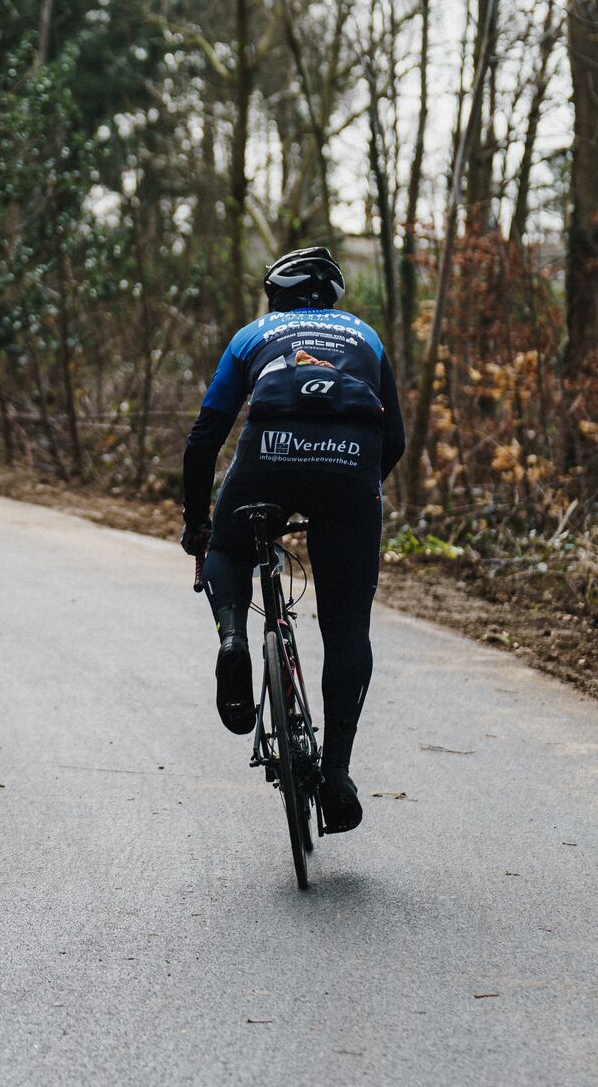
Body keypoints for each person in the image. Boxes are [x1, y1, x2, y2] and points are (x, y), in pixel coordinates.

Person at [179, 246, 405, 833]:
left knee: (228, 548)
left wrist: (196, 523)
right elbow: (396, 438)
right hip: (351, 469)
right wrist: (351, 492)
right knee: (348, 627)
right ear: (330, 299)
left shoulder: (253, 334)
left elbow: (205, 436)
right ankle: (336, 774)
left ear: (274, 295)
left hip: (267, 459)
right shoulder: (366, 337)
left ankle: (232, 638)